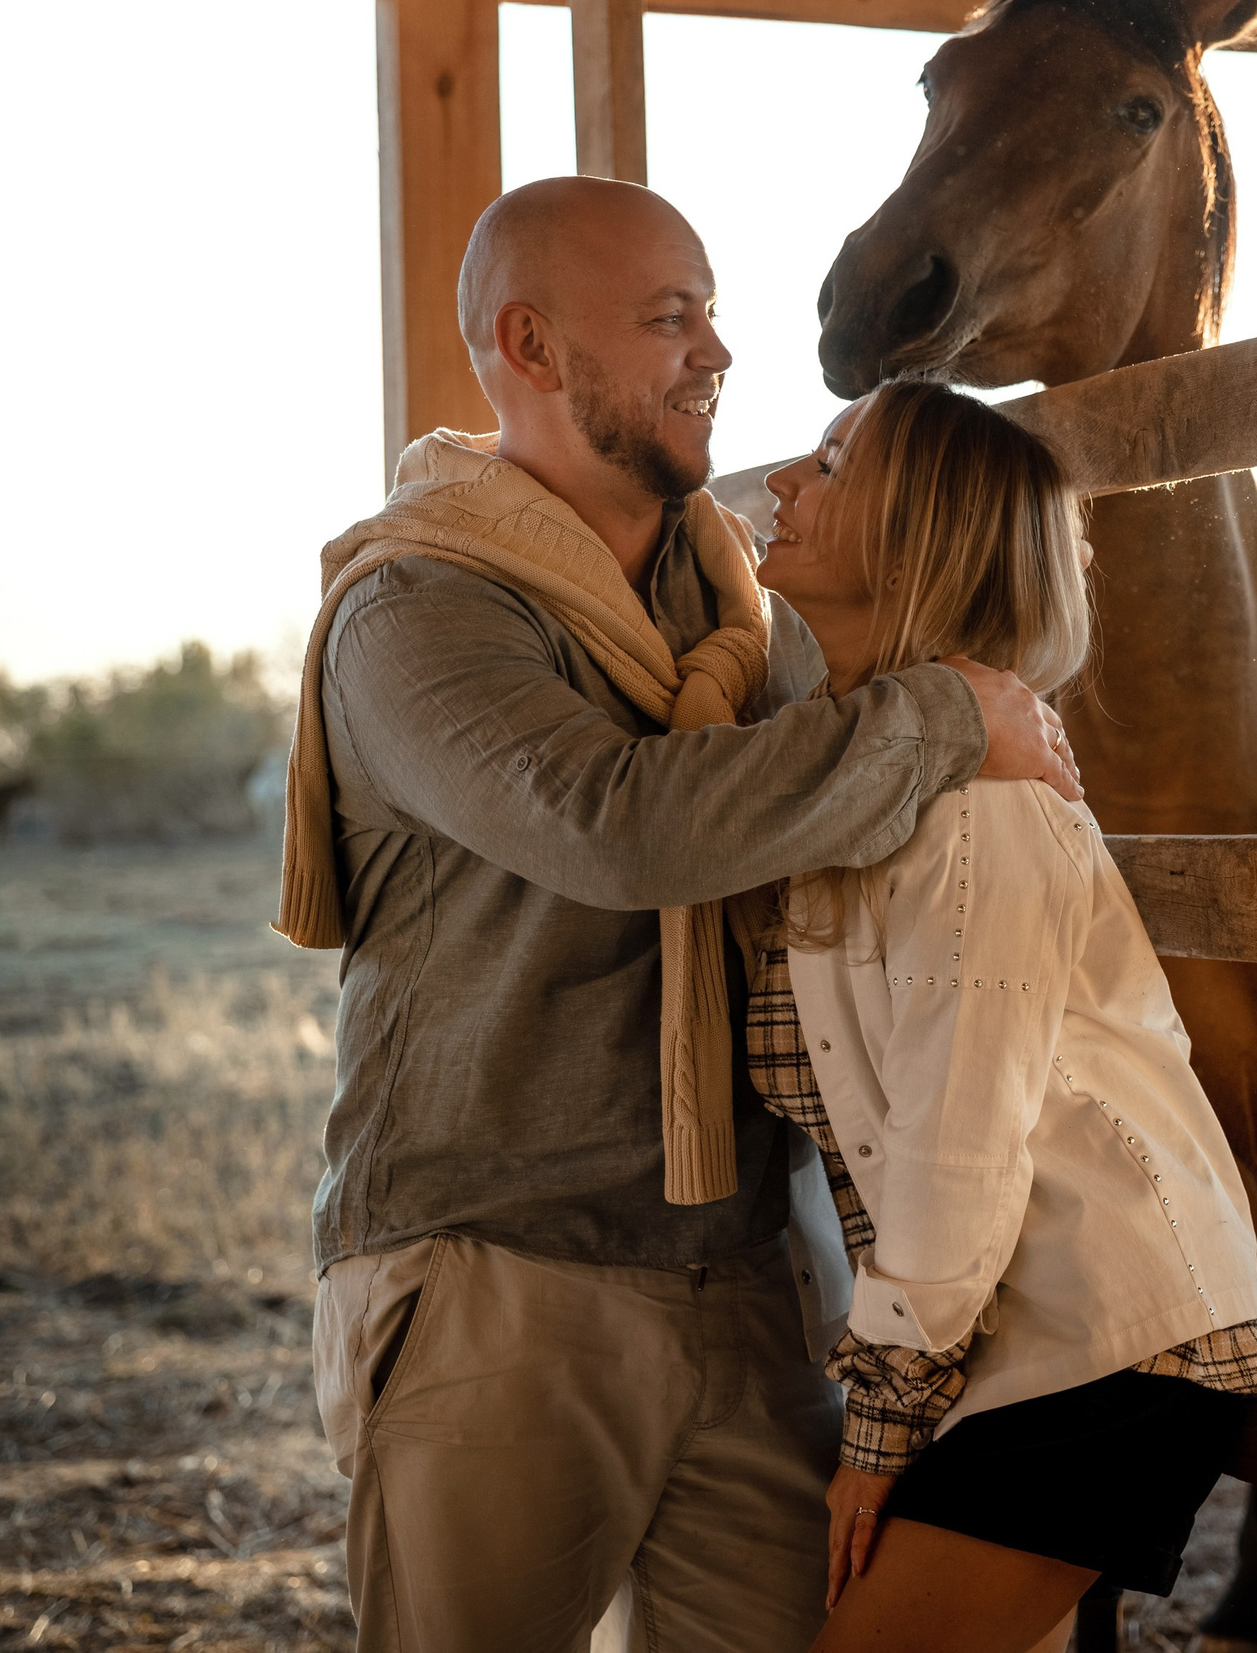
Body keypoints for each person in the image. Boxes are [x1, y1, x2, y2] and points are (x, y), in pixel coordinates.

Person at [283, 177, 1081, 1653]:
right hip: (500, 1271)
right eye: (669, 319)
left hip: (747, 1274)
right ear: (530, 345)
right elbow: (623, 823)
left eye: (712, 312)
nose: (716, 350)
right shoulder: (419, 612)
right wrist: (939, 720)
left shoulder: (734, 614)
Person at [745, 380, 1257, 1653]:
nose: (780, 485)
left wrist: (881, 1428)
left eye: (828, 463)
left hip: (1109, 1344)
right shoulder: (868, 775)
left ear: (919, 530)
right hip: (998, 1330)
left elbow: (955, 1145)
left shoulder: (979, 814)